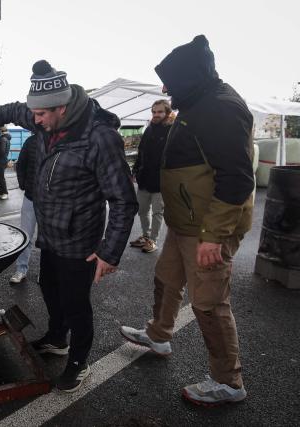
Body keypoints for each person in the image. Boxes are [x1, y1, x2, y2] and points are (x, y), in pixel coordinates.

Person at [0, 60, 138, 392]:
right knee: (48, 287)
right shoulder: (44, 117)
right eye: (34, 115)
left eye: (41, 116)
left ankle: (79, 361)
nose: (35, 122)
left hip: (80, 240)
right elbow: (13, 109)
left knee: (75, 302)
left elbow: (123, 201)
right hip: (51, 233)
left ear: (62, 108)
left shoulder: (100, 138)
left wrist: (109, 252)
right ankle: (59, 338)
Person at [119, 35, 254, 405]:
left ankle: (228, 382)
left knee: (209, 302)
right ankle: (159, 336)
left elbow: (237, 178)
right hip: (184, 224)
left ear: (189, 77)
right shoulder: (198, 102)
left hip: (208, 229)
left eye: (170, 81)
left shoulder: (220, 108)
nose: (164, 88)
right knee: (166, 279)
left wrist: (214, 235)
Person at [129, 99, 172, 253]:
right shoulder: (149, 129)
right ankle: (146, 236)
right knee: (142, 210)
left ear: (167, 112)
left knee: (157, 212)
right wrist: (134, 171)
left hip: (161, 181)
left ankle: (153, 240)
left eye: (160, 112)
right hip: (144, 178)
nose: (156, 115)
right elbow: (141, 152)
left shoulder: (172, 130)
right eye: (154, 112)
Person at [9, 134, 38, 284]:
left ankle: (46, 272)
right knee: (26, 236)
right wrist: (23, 184)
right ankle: (21, 269)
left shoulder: (59, 141)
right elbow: (21, 164)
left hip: (51, 202)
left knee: (49, 240)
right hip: (30, 198)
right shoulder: (31, 141)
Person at [0, 126, 11, 199]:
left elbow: (2, 151)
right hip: (2, 160)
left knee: (0, 178)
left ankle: (5, 193)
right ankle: (0, 192)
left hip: (1, 160)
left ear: (1, 131)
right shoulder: (4, 138)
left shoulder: (3, 139)